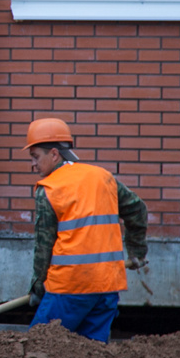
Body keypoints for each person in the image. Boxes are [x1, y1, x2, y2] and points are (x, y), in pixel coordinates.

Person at [24, 117, 148, 343]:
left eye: (35, 157)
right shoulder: (103, 177)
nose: (33, 164)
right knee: (92, 357)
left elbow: (43, 245)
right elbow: (137, 209)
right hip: (107, 286)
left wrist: (37, 286)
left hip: (70, 288)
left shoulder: (50, 189)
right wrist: (137, 251)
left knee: (37, 347)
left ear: (54, 154)